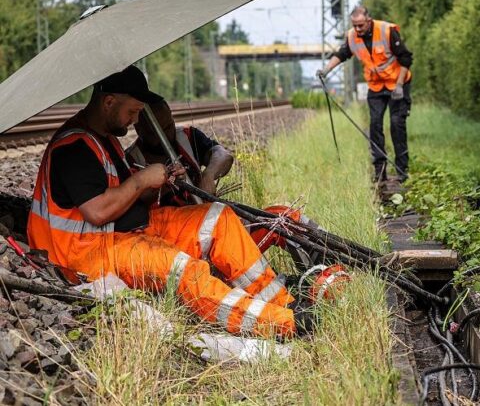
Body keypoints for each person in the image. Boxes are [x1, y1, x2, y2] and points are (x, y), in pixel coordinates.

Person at [28, 65, 299, 338]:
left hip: (122, 231)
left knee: (217, 216)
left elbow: (122, 194)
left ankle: (284, 301)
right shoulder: (73, 146)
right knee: (184, 270)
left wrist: (160, 181)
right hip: (86, 254)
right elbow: (97, 211)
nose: (135, 121)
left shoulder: (105, 138)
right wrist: (142, 180)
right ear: (109, 102)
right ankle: (284, 323)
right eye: (132, 112)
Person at [317, 5, 413, 182]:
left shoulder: (387, 31)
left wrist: (399, 86)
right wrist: (326, 70)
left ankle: (401, 169)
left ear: (369, 20)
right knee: (375, 125)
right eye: (354, 25)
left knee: (396, 124)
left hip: (397, 84)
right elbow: (342, 53)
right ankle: (380, 170)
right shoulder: (352, 36)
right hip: (376, 86)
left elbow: (406, 58)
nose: (357, 29)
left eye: (361, 25)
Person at [126, 99, 233, 204]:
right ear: (139, 130)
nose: (166, 135)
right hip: (164, 220)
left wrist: (208, 175)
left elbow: (223, 155)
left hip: (202, 213)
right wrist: (164, 183)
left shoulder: (188, 136)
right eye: (156, 132)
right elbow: (134, 200)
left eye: (168, 126)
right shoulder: (130, 159)